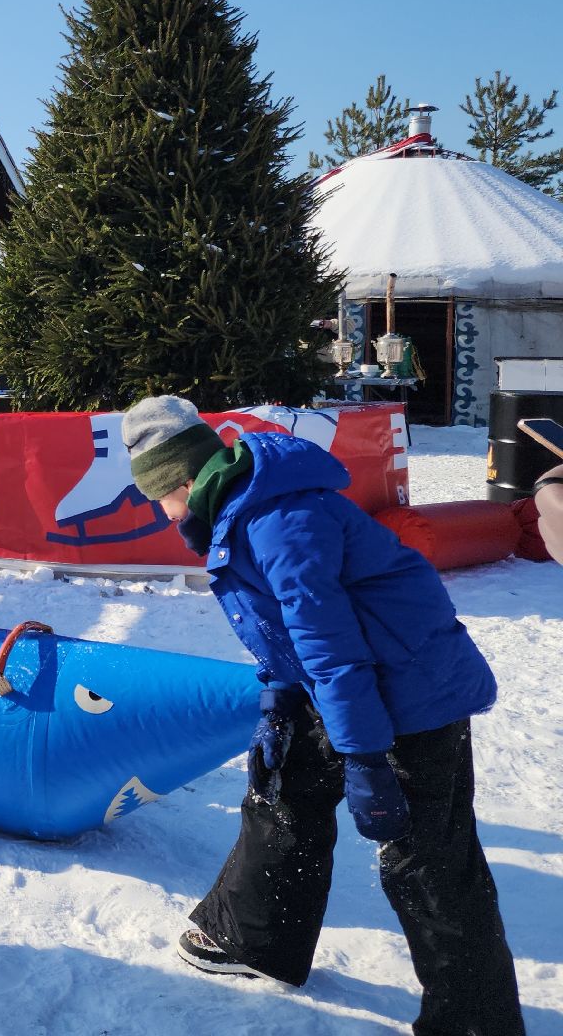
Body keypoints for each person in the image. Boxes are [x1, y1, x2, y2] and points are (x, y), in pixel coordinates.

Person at [121, 395, 524, 1036]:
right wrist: (280, 695)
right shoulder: (243, 511)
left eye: (156, 499)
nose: (162, 515)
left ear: (181, 480)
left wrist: (364, 757)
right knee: (284, 784)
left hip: (412, 693)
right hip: (348, 684)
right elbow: (290, 633)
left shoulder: (280, 521)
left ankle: (476, 1021)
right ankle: (254, 937)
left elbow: (332, 647)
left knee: (427, 859)